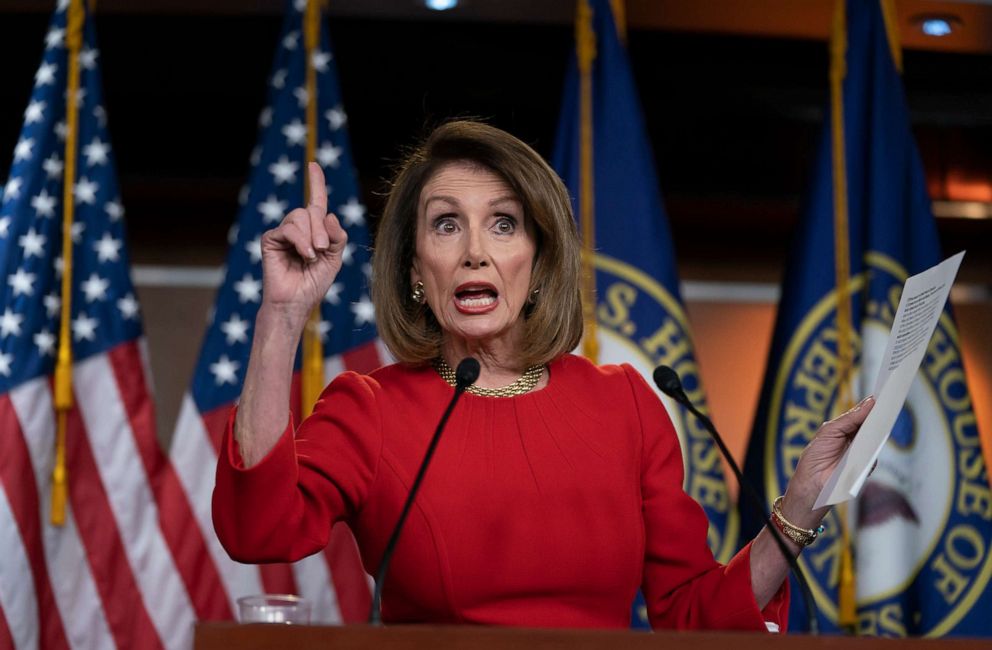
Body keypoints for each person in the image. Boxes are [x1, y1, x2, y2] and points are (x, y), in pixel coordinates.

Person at [213, 121, 874, 630]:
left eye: (503, 224)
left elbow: (692, 615)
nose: (476, 251)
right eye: (447, 225)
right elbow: (257, 533)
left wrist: (797, 509)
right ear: (416, 271)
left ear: (538, 259)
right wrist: (282, 314)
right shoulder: (370, 408)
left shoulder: (625, 405)